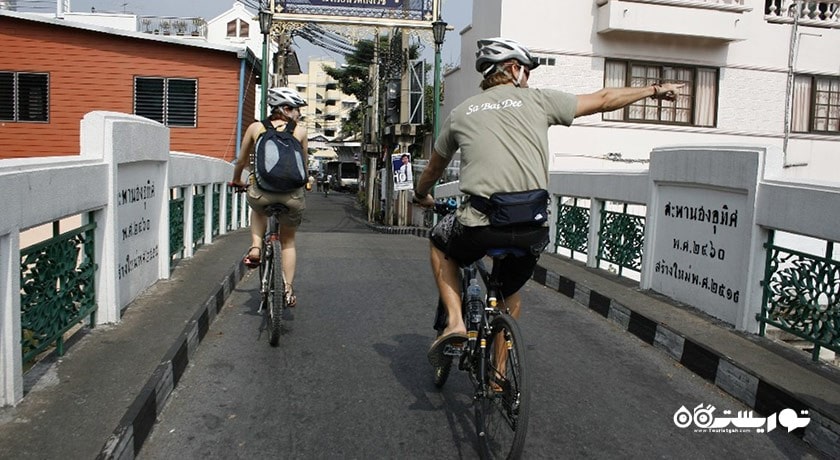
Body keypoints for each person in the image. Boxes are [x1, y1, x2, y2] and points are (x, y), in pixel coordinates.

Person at [414, 37, 683, 364]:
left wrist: (421, 194)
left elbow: (433, 168)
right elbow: (604, 98)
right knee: (508, 293)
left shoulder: (462, 112)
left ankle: (455, 322)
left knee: (441, 245)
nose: (528, 78)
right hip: (532, 228)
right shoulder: (540, 102)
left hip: (480, 227)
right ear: (513, 69)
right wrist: (654, 90)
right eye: (527, 71)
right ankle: (500, 374)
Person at [231, 87, 309, 307]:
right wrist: (307, 182)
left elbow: (241, 160)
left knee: (257, 207)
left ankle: (255, 246)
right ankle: (288, 290)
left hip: (262, 193)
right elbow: (303, 165)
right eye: (296, 110)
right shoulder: (300, 132)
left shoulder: (256, 128)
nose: (299, 115)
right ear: (284, 109)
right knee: (288, 241)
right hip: (291, 197)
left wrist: (237, 180)